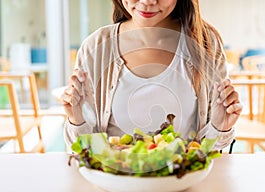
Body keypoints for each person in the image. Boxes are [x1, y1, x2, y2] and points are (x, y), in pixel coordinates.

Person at [61, 0, 243, 150]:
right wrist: (77, 120)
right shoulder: (95, 48)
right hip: (115, 186)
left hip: (183, 186)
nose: (148, 1)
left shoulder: (204, 43)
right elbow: (84, 149)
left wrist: (221, 127)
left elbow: (209, 150)